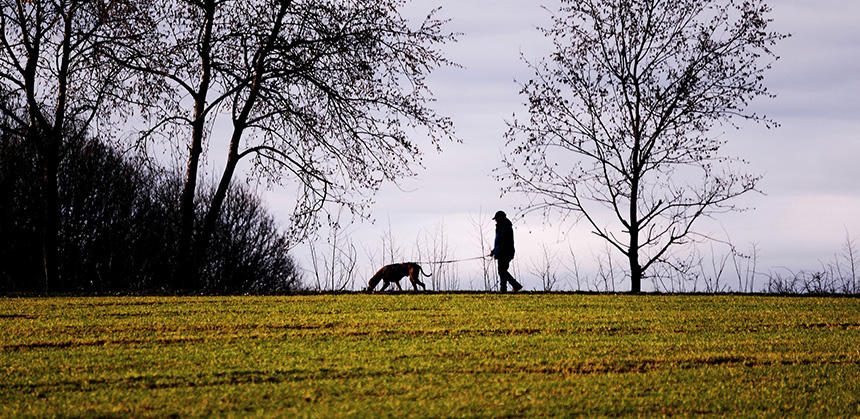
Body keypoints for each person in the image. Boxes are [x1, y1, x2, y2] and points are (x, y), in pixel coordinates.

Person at [489, 210, 522, 292]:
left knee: (502, 271)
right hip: (504, 252)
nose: (495, 220)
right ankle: (503, 289)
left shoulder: (505, 227)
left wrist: (497, 252)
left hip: (505, 252)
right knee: (502, 271)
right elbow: (499, 242)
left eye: (496, 218)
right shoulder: (502, 226)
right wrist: (494, 251)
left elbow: (503, 241)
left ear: (501, 217)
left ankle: (515, 285)